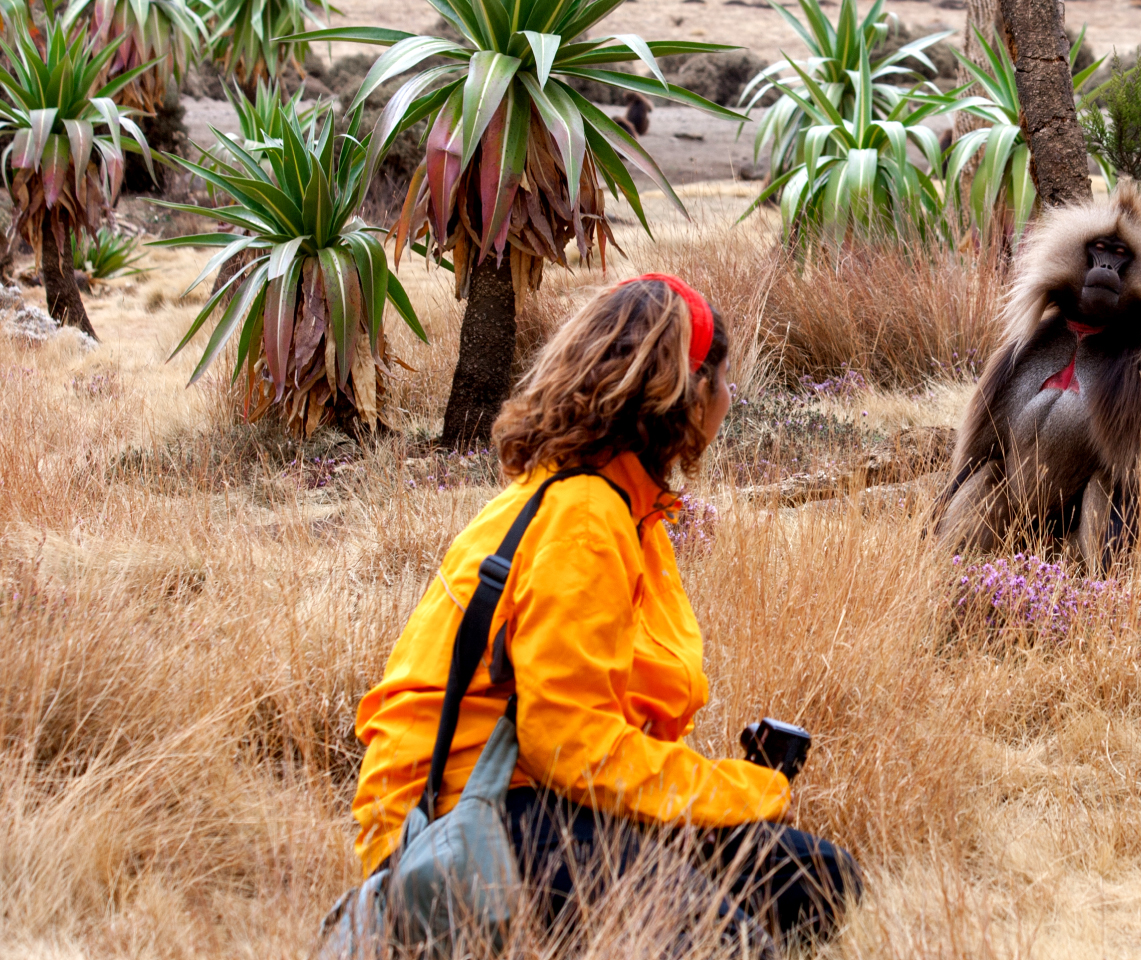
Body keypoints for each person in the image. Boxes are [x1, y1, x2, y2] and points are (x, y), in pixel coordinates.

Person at [350, 275, 860, 955]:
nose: (730, 397)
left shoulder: (625, 506)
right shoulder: (586, 514)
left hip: (545, 797)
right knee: (726, 945)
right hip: (467, 821)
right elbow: (568, 744)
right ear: (685, 392)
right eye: (722, 380)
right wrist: (735, 793)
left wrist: (720, 804)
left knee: (818, 879)